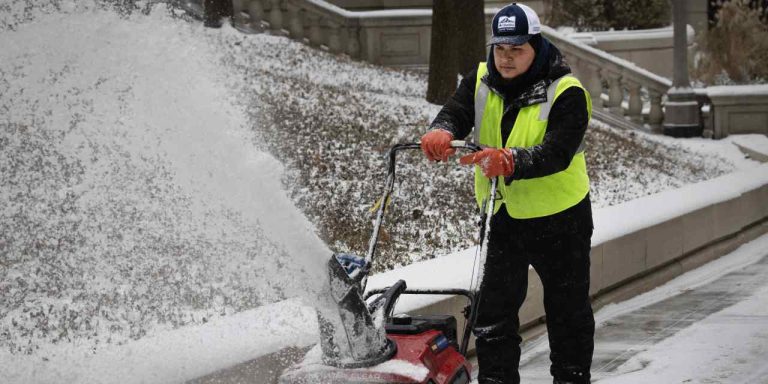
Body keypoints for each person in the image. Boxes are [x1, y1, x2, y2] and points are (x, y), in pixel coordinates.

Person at [420, 3, 595, 384]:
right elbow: (457, 109)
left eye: (517, 49)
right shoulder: (482, 77)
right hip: (504, 217)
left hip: (561, 219)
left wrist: (512, 160)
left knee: (567, 312)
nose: (506, 58)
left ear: (536, 46)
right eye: (501, 48)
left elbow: (558, 151)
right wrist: (443, 130)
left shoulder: (567, 91)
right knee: (494, 314)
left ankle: (571, 378)